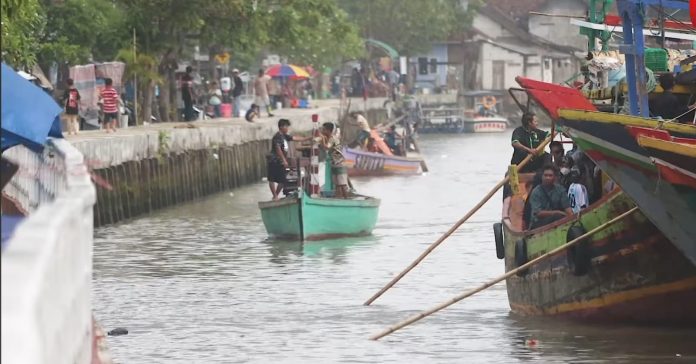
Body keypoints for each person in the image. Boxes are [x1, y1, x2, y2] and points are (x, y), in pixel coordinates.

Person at [267, 119, 310, 200]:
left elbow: (295, 138)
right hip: (274, 161)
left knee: (282, 180)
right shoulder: (277, 137)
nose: (287, 129)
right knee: (272, 179)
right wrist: (284, 160)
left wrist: (307, 138)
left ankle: (275, 195)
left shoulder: (284, 136)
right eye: (286, 127)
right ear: (281, 127)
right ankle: (275, 196)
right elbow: (278, 149)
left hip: (281, 162)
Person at [528, 165, 573, 229]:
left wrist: (571, 217)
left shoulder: (560, 189)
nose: (547, 178)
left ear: (554, 177)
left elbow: (567, 208)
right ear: (542, 177)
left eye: (550, 175)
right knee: (557, 217)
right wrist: (557, 213)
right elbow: (538, 213)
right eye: (545, 175)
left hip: (557, 220)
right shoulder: (536, 192)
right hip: (539, 223)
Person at [317, 122, 349, 198]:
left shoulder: (332, 138)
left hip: (339, 163)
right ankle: (338, 198)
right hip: (335, 163)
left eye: (324, 130)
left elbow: (326, 147)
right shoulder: (331, 138)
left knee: (342, 183)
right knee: (337, 184)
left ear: (328, 131)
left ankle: (346, 199)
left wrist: (322, 140)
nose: (322, 131)